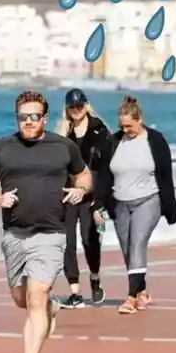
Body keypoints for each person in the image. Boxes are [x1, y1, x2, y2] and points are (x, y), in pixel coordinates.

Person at [0, 91, 90, 353]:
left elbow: (85, 175)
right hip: (14, 235)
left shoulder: (63, 147)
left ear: (44, 117)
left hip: (51, 234)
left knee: (36, 296)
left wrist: (81, 191)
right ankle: (52, 308)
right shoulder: (1, 148)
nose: (29, 121)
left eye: (34, 116)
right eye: (23, 116)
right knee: (21, 300)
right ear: (17, 117)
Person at [100, 96, 176, 314]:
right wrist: (100, 204)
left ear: (140, 120)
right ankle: (142, 290)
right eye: (122, 126)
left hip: (148, 199)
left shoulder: (155, 140)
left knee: (137, 244)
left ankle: (130, 297)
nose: (126, 130)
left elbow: (166, 174)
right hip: (120, 203)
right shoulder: (114, 142)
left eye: (130, 125)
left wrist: (170, 206)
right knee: (128, 250)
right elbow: (105, 176)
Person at [55, 88, 113, 308]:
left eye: (80, 106)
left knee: (89, 241)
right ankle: (75, 292)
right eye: (72, 107)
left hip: (91, 195)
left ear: (86, 105)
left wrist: (101, 202)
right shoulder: (63, 132)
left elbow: (106, 168)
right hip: (67, 195)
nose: (76, 110)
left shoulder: (99, 130)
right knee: (67, 244)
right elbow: (55, 164)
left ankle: (95, 278)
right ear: (67, 109)